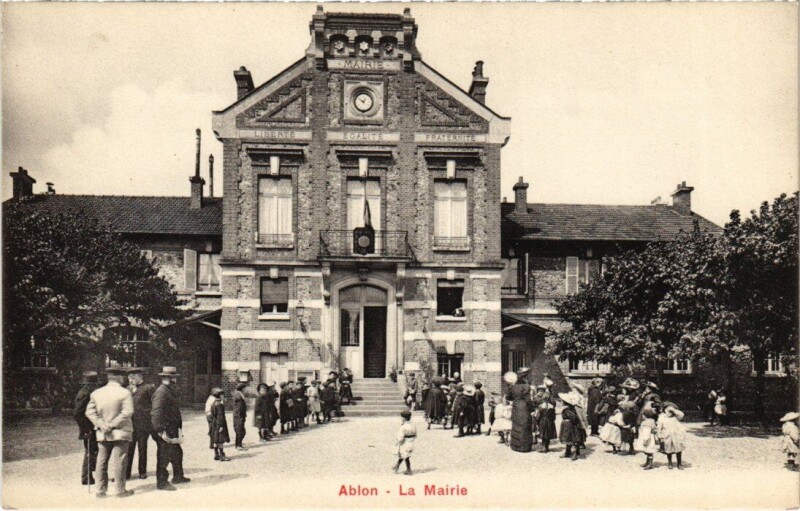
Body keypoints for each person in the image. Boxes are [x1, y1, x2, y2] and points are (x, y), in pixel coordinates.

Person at [84, 367, 135, 498]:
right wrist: (112, 425)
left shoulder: (97, 393)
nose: (124, 379)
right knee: (120, 461)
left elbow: (89, 412)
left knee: (101, 461)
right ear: (119, 378)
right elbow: (128, 412)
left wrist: (101, 424)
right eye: (123, 377)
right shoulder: (124, 393)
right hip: (121, 432)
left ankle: (100, 491)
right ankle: (119, 490)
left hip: (103, 433)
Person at [151, 366, 189, 491]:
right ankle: (162, 482)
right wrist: (160, 431)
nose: (176, 380)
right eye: (174, 378)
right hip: (165, 430)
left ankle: (178, 476)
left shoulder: (168, 390)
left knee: (177, 453)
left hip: (172, 429)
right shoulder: (161, 392)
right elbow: (156, 413)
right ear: (170, 378)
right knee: (164, 456)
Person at [125, 368, 157, 480]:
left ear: (139, 376)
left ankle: (142, 472)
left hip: (143, 424)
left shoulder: (149, 388)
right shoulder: (127, 389)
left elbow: (154, 405)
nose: (130, 380)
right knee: (129, 448)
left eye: (132, 377)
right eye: (129, 378)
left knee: (142, 448)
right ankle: (126, 472)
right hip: (130, 424)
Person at [75, 370, 99, 486]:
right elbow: (78, 414)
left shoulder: (87, 392)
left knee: (93, 451)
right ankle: (86, 477)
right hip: (88, 429)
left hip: (91, 428)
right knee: (90, 451)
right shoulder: (85, 394)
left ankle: (90, 475)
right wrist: (86, 429)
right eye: (94, 384)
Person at [505, 368, 534, 453]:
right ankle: (525, 447)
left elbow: (508, 397)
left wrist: (515, 398)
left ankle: (515, 446)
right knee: (525, 426)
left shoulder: (512, 386)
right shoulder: (526, 386)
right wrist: (532, 408)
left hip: (516, 407)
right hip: (524, 407)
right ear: (525, 377)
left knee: (516, 425)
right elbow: (528, 399)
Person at [657, 402, 687, 470]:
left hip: (676, 435)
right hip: (667, 435)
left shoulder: (675, 417)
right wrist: (660, 436)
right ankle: (670, 462)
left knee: (678, 449)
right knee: (668, 449)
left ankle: (679, 463)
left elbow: (682, 414)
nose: (669, 412)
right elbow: (659, 427)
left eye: (671, 411)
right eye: (667, 410)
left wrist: (673, 410)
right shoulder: (662, 417)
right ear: (664, 410)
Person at [558, 392, 584, 461]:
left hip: (569, 426)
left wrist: (568, 421)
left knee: (571, 439)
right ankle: (567, 452)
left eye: (562, 401)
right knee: (568, 439)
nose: (561, 402)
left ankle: (574, 453)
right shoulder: (569, 409)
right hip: (567, 425)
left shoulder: (568, 410)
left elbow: (574, 418)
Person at [209, 388, 231, 461]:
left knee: (215, 439)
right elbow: (220, 416)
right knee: (220, 440)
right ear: (220, 396)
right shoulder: (220, 405)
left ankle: (216, 454)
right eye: (223, 395)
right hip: (219, 423)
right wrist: (221, 426)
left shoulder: (213, 403)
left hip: (214, 423)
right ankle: (222, 455)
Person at [392, 410, 416, 475]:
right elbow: (415, 435)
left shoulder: (403, 427)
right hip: (411, 442)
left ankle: (409, 469)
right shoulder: (413, 426)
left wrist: (399, 441)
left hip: (404, 443)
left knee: (406, 457)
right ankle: (396, 466)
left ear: (404, 418)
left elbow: (400, 437)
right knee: (404, 455)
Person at [537, 387, 558, 453]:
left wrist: (538, 422)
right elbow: (554, 416)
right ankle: (547, 446)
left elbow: (538, 416)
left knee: (543, 435)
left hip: (543, 421)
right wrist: (552, 420)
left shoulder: (541, 406)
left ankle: (544, 447)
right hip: (550, 421)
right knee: (548, 434)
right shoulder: (551, 406)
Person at [232, 383, 248, 450]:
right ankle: (238, 445)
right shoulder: (239, 397)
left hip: (240, 415)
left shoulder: (240, 395)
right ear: (242, 389)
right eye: (244, 388)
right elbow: (239, 408)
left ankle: (239, 444)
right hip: (239, 416)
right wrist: (241, 416)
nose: (245, 389)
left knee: (240, 430)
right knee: (240, 430)